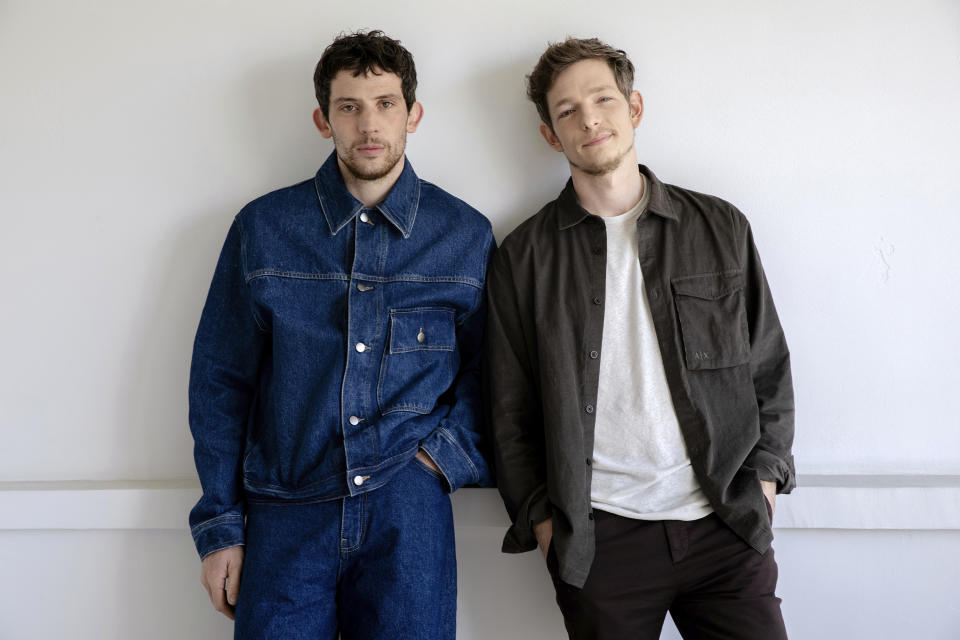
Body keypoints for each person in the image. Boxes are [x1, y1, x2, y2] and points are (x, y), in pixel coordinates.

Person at [485, 37, 795, 639]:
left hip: (725, 524)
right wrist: (545, 524)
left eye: (602, 98)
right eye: (567, 110)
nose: (590, 118)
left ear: (635, 107)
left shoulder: (719, 227)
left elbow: (769, 369)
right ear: (551, 134)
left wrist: (764, 478)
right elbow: (508, 410)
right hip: (602, 539)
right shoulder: (524, 257)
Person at [188, 30, 494, 639]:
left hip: (408, 518)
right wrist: (220, 528)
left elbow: (496, 374)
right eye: (349, 107)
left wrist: (435, 466)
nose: (368, 124)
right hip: (284, 514)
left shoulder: (464, 235)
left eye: (385, 103)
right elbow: (221, 381)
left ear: (414, 114)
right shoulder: (264, 227)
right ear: (323, 120)